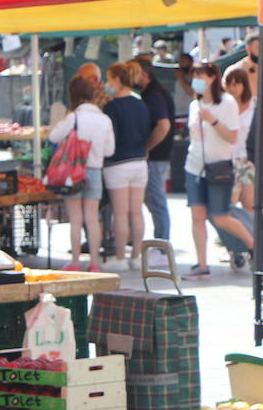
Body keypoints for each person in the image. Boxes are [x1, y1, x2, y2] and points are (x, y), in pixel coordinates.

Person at [183, 62, 253, 278]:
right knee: (197, 216)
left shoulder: (227, 103)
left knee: (220, 216)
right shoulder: (194, 104)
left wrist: (212, 121)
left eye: (201, 75)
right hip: (194, 167)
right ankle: (202, 264)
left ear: (213, 77)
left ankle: (253, 245)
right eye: (194, 75)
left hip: (220, 167)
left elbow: (233, 136)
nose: (197, 79)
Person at [49, 77, 114, 271]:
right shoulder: (104, 119)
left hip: (73, 173)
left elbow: (53, 136)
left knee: (76, 219)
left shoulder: (73, 117)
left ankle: (75, 261)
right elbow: (110, 151)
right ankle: (94, 262)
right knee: (93, 218)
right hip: (95, 171)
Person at [101, 62, 150, 269]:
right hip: (139, 162)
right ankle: (136, 256)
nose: (107, 84)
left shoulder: (111, 107)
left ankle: (120, 257)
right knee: (136, 212)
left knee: (120, 213)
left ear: (118, 80)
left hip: (117, 164)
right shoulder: (141, 104)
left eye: (110, 79)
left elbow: (110, 139)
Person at [134, 56, 175, 257]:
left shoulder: (154, 95)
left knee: (156, 200)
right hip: (157, 155)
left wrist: (147, 147)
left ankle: (161, 246)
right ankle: (161, 243)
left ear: (144, 75)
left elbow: (163, 125)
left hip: (156, 156)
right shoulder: (152, 93)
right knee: (154, 200)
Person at [224, 65, 257, 211]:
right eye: (229, 84)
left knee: (249, 202)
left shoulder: (254, 105)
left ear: (244, 84)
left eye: (236, 84)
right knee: (230, 200)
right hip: (228, 159)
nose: (233, 88)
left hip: (248, 159)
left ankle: (250, 232)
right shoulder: (224, 106)